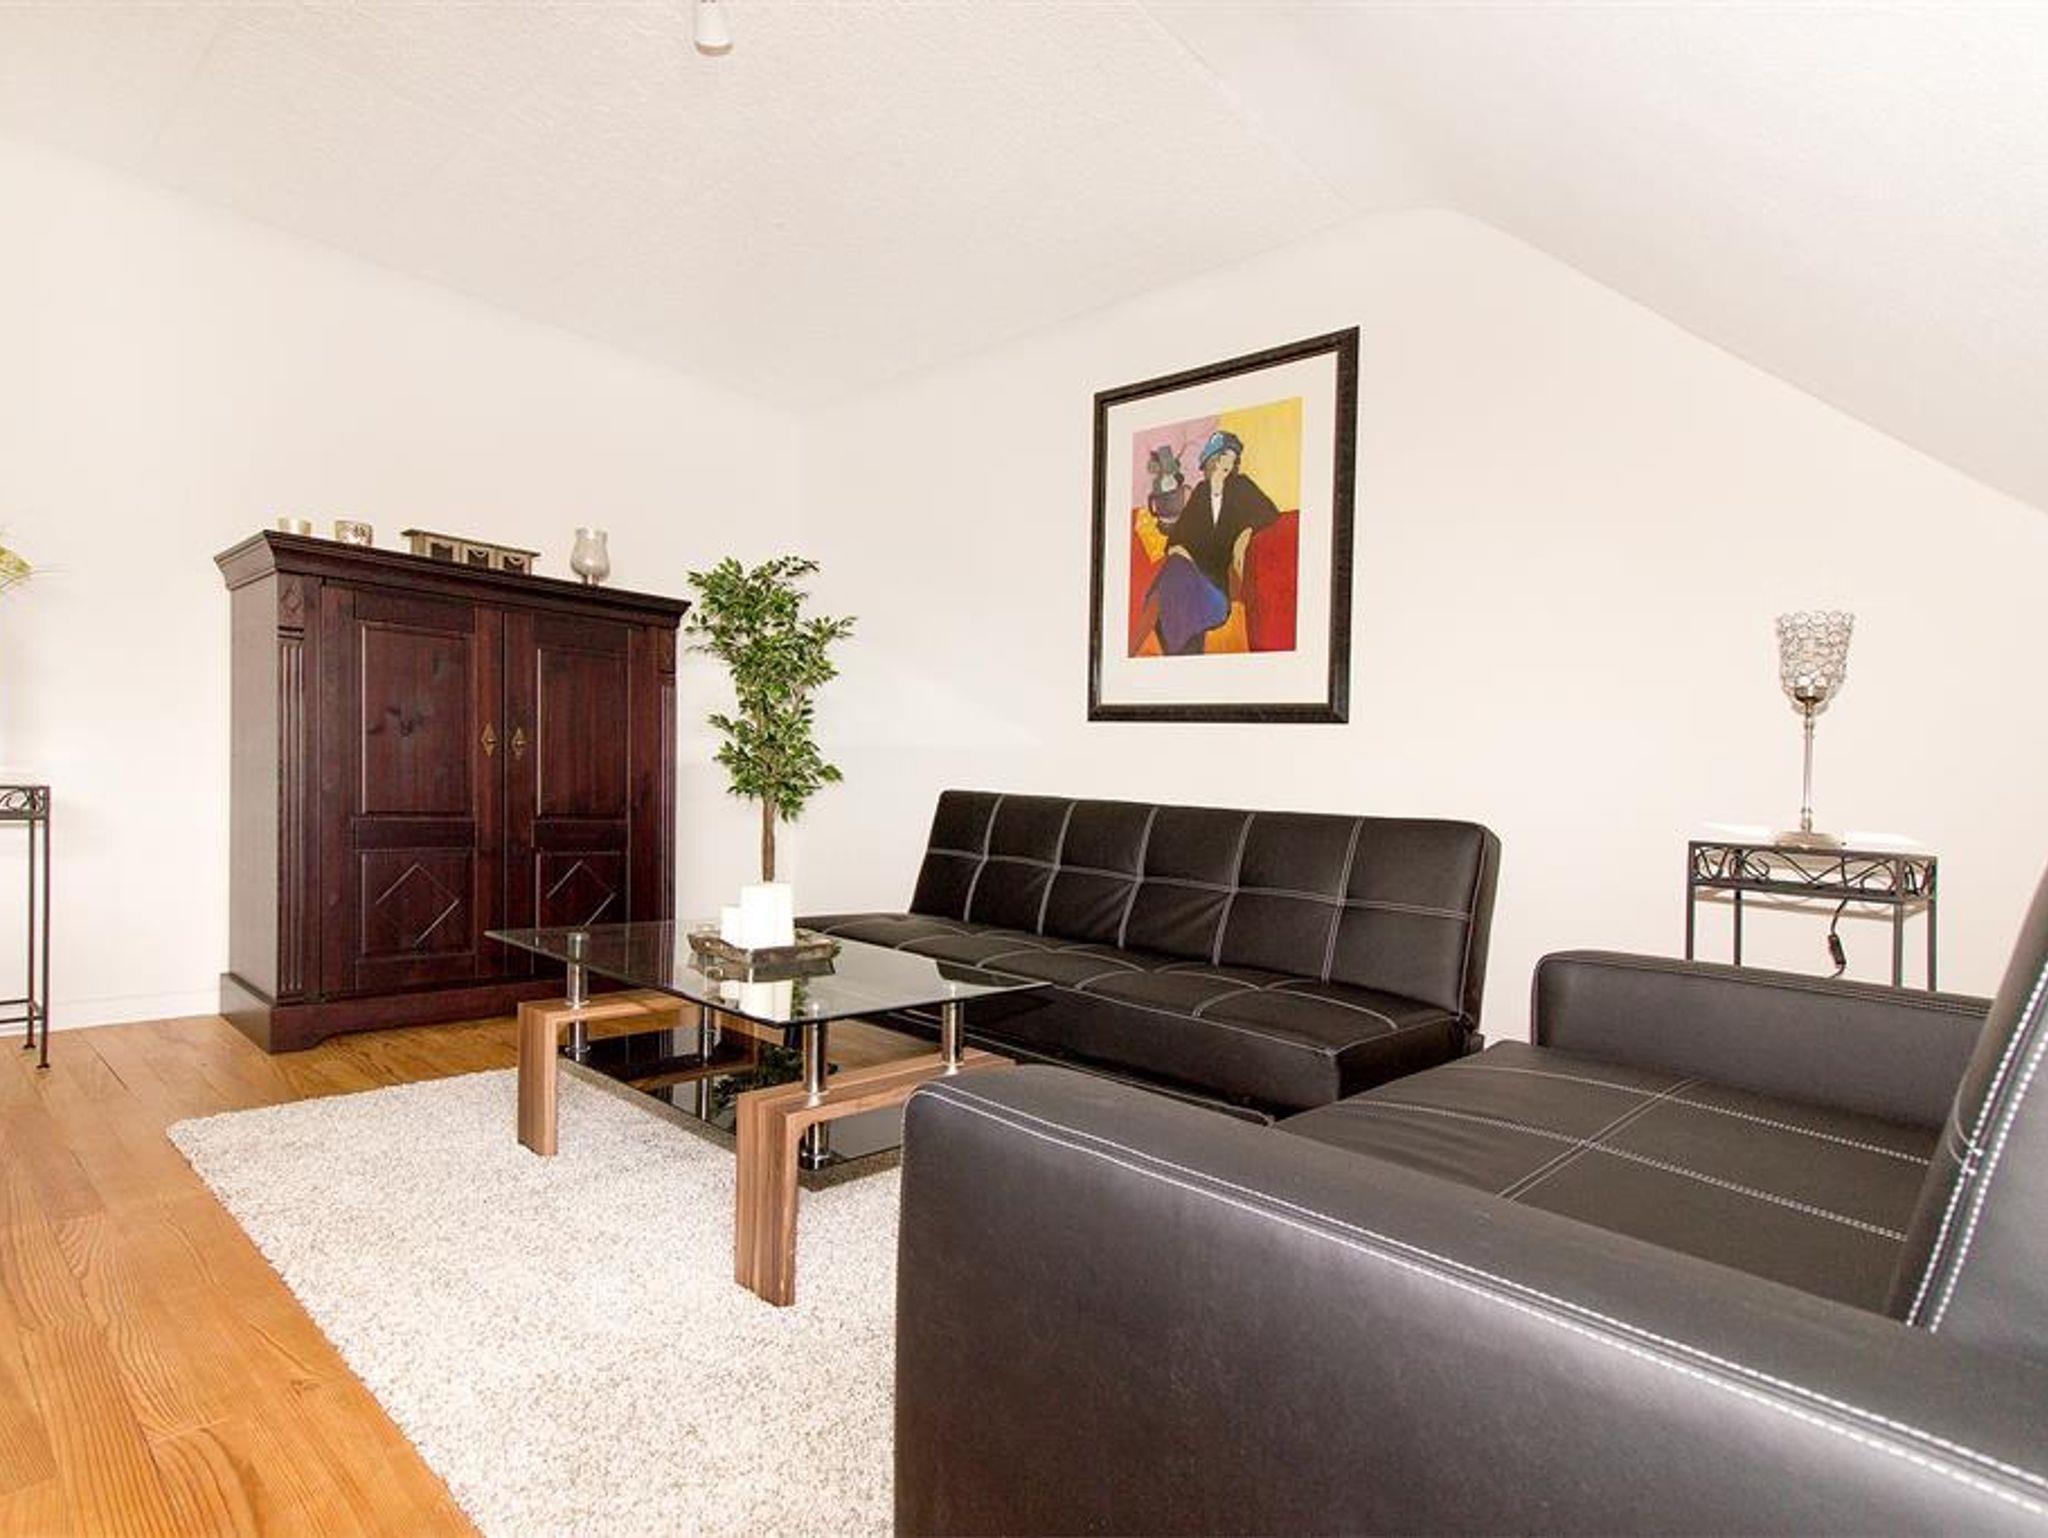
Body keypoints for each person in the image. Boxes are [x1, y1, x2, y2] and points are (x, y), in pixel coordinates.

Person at [1141, 429, 1279, 654]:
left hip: (1215, 587)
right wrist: (1182, 554)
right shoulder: (1201, 492)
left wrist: (1246, 533)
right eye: (1224, 455)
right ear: (1211, 459)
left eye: (1232, 457)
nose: (1228, 462)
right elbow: (1176, 540)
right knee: (1175, 571)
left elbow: (1270, 512)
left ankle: (1158, 643)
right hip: (1189, 575)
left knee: (1169, 588)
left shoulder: (1242, 486)